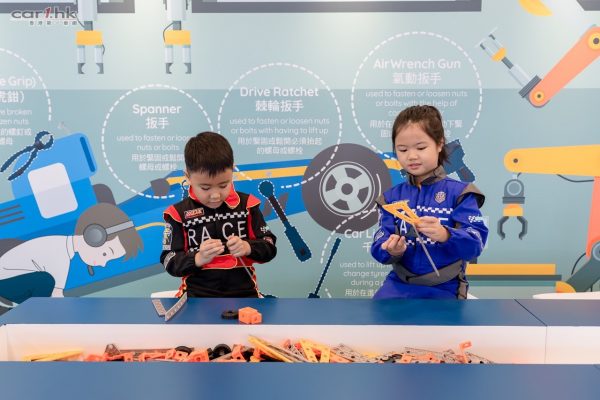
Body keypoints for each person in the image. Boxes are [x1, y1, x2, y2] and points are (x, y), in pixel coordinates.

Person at [371, 105, 488, 299]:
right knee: (377, 317)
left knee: (439, 320)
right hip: (398, 285)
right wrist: (390, 249)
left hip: (446, 288)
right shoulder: (390, 198)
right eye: (402, 149)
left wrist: (446, 234)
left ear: (439, 144)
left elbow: (474, 244)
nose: (412, 156)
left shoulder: (461, 193)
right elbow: (380, 244)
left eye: (421, 147)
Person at [160, 131, 277, 297]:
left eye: (223, 185)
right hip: (196, 297)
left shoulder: (248, 205)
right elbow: (168, 259)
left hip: (245, 295)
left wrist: (248, 247)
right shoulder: (177, 214)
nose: (215, 195)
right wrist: (197, 258)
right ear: (188, 176)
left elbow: (270, 246)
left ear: (232, 171)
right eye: (205, 188)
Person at [0, 203, 143, 314]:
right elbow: (56, 295)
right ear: (94, 236)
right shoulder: (58, 251)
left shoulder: (64, 248)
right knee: (45, 281)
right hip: (4, 285)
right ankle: (35, 318)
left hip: (12, 287)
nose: (104, 264)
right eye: (106, 254)